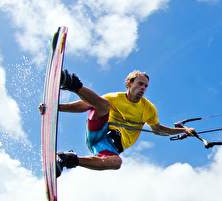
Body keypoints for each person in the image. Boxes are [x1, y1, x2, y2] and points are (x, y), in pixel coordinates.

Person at [54, 69, 196, 177]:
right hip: (98, 131)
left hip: (109, 147)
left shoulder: (149, 109)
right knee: (104, 105)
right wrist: (57, 108)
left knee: (117, 163)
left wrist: (183, 131)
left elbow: (157, 129)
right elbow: (84, 105)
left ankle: (67, 159)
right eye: (140, 84)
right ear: (129, 83)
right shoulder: (115, 98)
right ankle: (70, 83)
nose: (143, 88)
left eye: (146, 86)